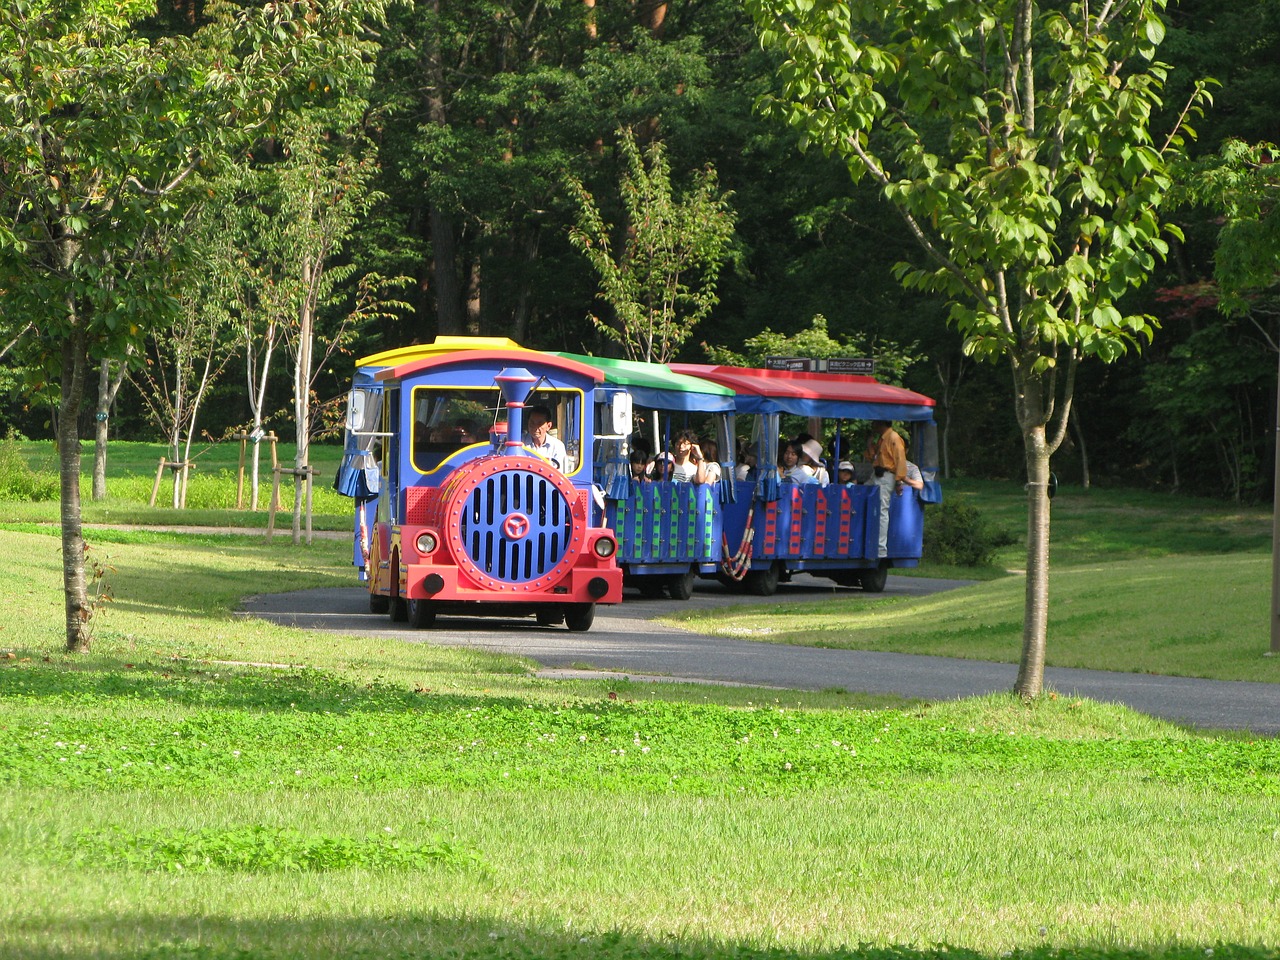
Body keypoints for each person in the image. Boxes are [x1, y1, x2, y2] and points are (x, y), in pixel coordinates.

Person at [870, 419, 907, 558]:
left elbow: (900, 460)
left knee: (881, 510)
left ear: (881, 423)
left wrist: (899, 481)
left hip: (887, 476)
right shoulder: (882, 439)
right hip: (877, 474)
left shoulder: (894, 438)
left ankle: (881, 549)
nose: (872, 425)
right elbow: (872, 458)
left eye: (875, 423)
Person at [524, 405, 567, 469]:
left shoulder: (557, 446)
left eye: (540, 424)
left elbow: (560, 473)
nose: (535, 428)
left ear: (549, 426)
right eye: (532, 423)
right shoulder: (519, 442)